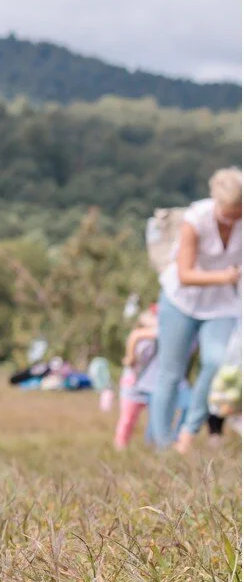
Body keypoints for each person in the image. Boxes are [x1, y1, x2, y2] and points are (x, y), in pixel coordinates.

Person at [146, 167, 242, 454]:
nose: (233, 217)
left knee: (217, 363)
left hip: (221, 303)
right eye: (229, 211)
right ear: (217, 202)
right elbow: (185, 274)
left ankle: (187, 433)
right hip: (181, 300)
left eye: (238, 211)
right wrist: (224, 276)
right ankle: (162, 445)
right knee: (171, 372)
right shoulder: (195, 219)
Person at [115, 305, 162, 449]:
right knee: (128, 419)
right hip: (133, 384)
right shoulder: (140, 334)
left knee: (156, 420)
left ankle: (152, 446)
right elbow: (135, 336)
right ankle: (120, 446)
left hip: (153, 384)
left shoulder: (159, 335)